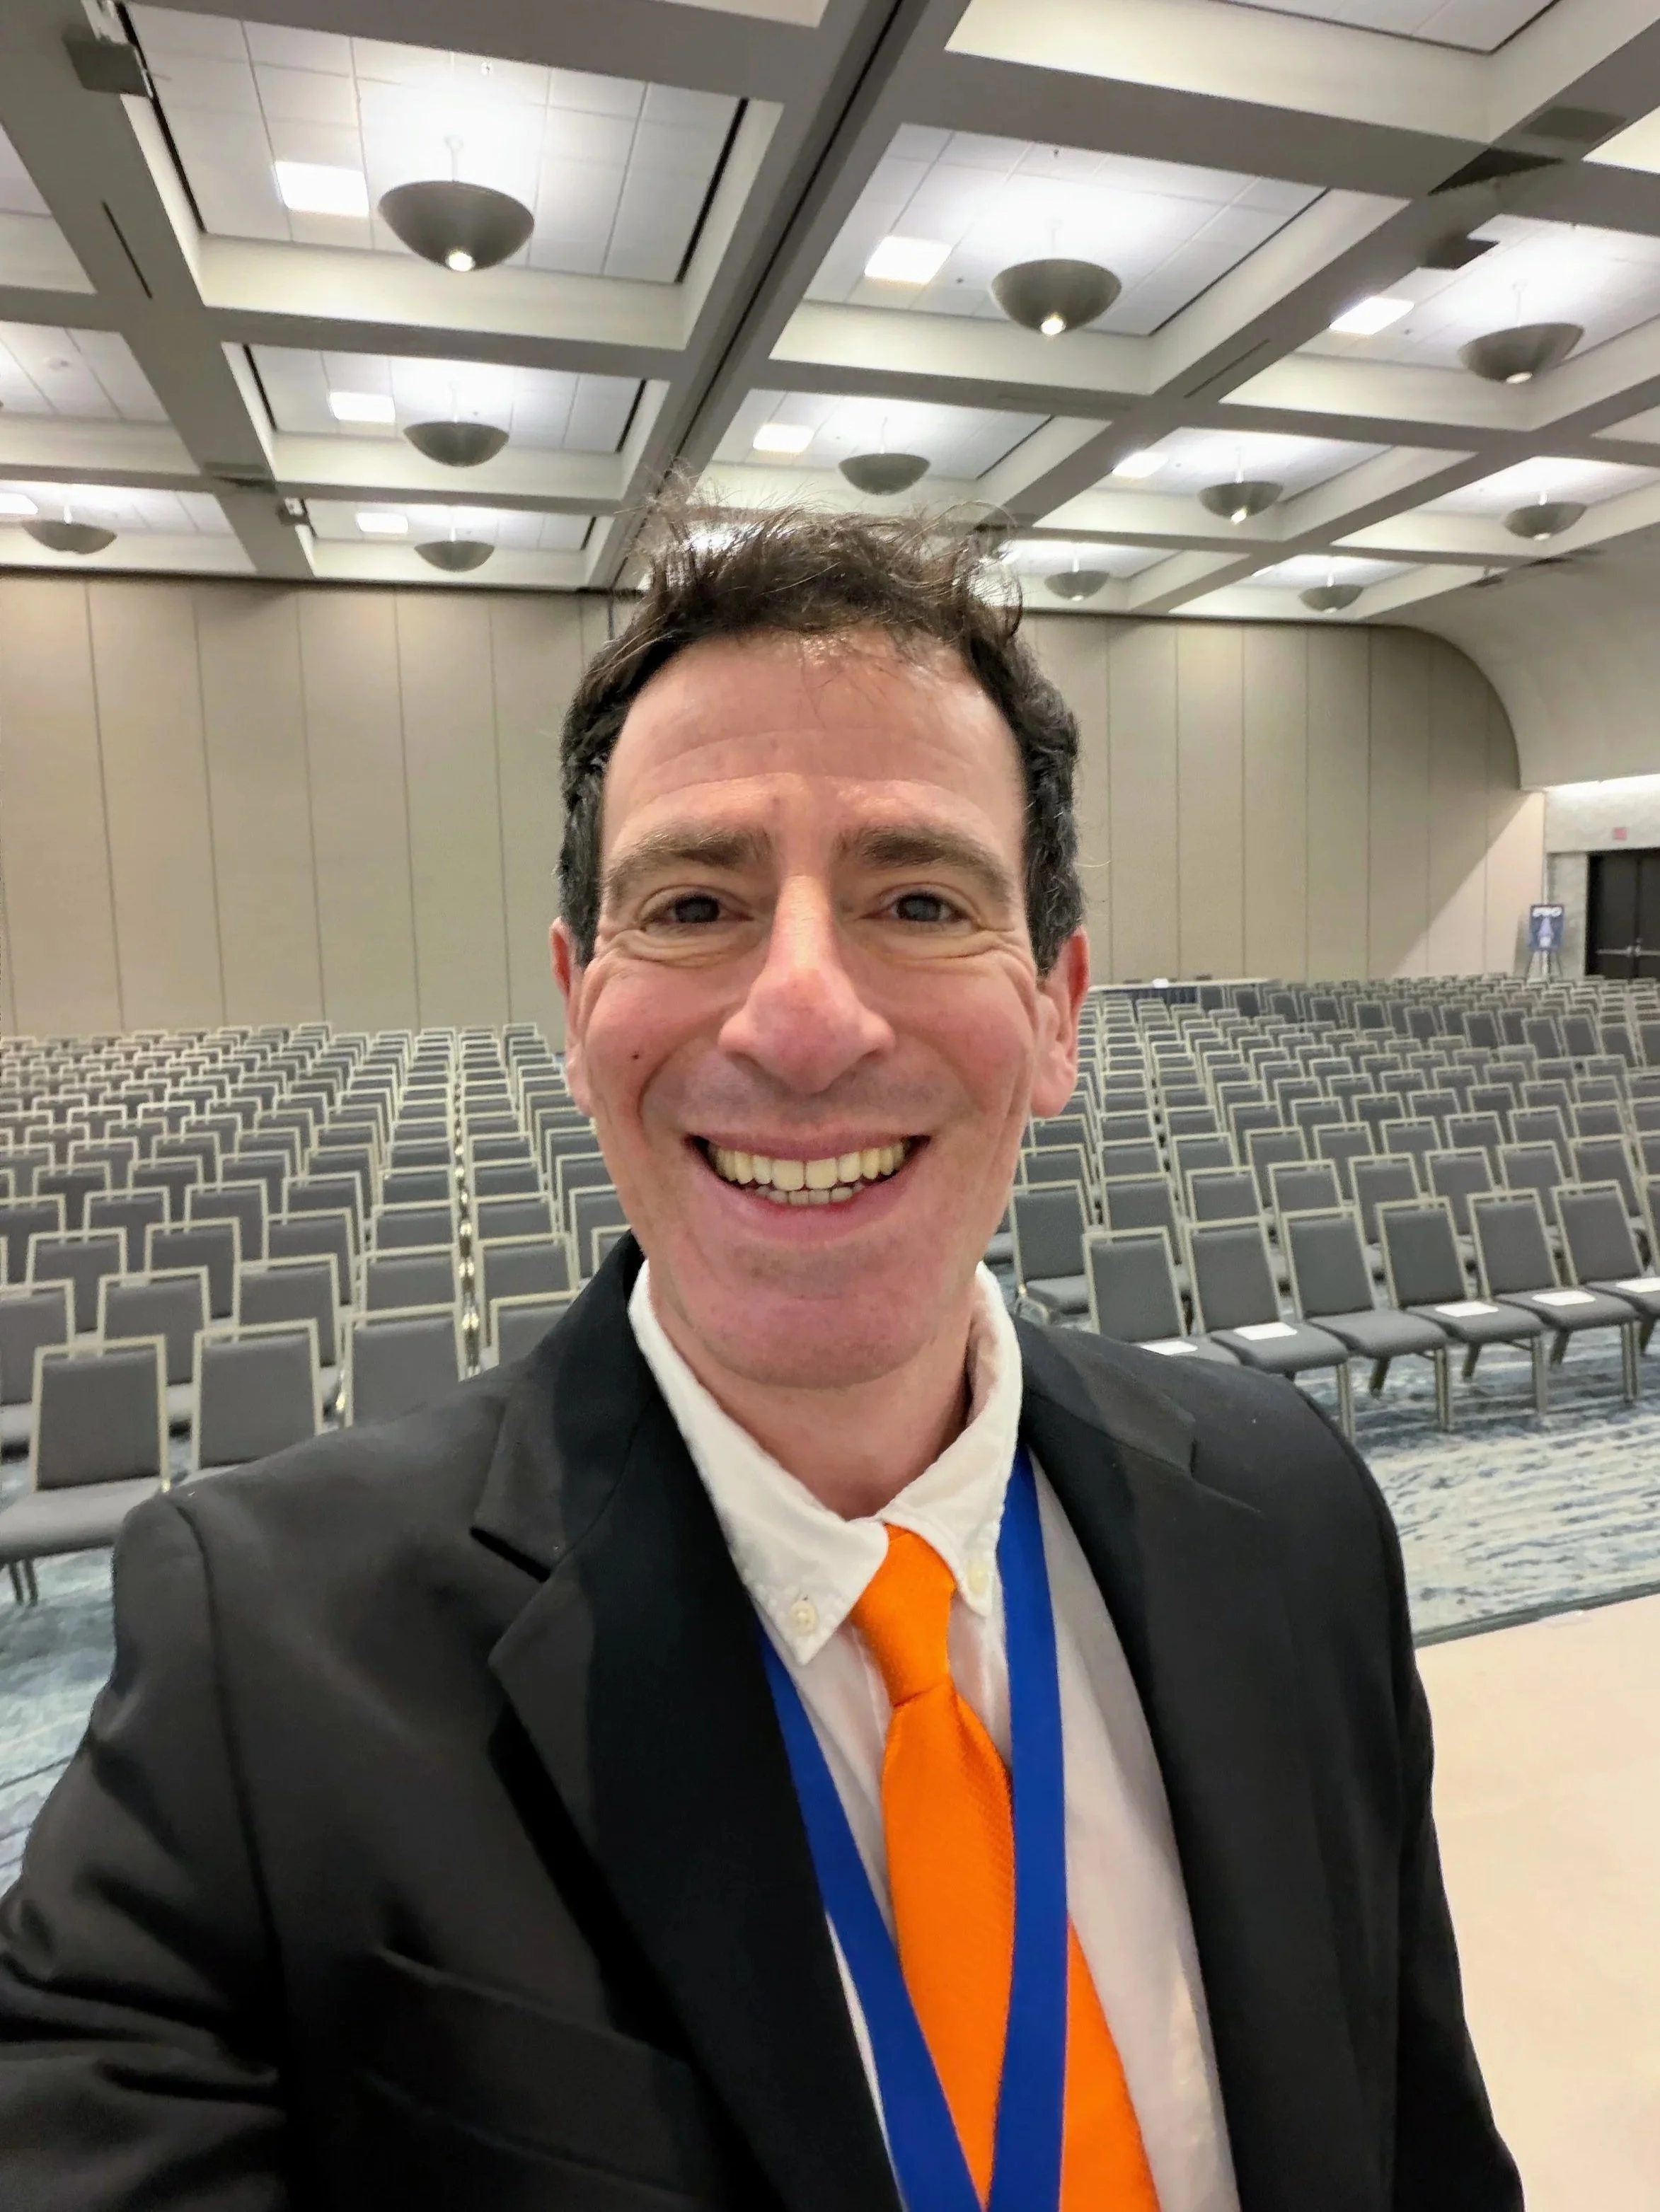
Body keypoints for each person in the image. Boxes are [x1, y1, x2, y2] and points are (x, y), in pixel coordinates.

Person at [0, 505, 1520, 2212]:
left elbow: (1423, 2149)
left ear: (1059, 1013)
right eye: (699, 901)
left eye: (924, 896)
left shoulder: (1296, 1513)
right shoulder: (260, 1659)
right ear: (581, 1010)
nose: (801, 1016)